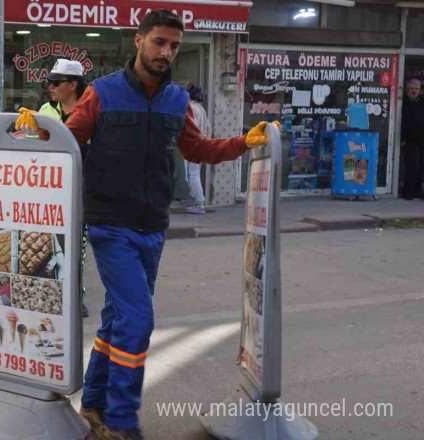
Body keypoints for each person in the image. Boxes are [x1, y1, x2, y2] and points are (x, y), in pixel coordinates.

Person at [17, 10, 275, 440]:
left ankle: (95, 404)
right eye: (159, 42)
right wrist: (35, 132)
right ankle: (120, 423)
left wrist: (240, 142)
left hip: (153, 225)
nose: (166, 52)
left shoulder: (177, 100)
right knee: (137, 320)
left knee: (118, 319)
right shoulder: (102, 93)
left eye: (174, 45)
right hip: (109, 224)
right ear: (139, 41)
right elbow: (68, 141)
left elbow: (196, 148)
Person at [38, 58, 92, 318]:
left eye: (56, 82)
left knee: (77, 247)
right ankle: (51, 293)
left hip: (81, 189)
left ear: (73, 84)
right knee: (52, 245)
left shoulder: (90, 110)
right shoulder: (45, 111)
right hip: (52, 188)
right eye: (49, 82)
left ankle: (75, 295)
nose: (51, 87)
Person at [182, 83, 210, 214]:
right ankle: (196, 201)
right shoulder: (201, 109)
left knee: (191, 175)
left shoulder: (191, 108)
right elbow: (209, 128)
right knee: (194, 174)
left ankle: (199, 204)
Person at [401, 78, 424, 200]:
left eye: (416, 89)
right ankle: (407, 191)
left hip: (421, 140)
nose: (414, 91)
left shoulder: (422, 102)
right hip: (408, 140)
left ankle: (417, 190)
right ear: (406, 89)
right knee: (410, 166)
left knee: (420, 166)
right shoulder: (402, 102)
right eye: (411, 89)